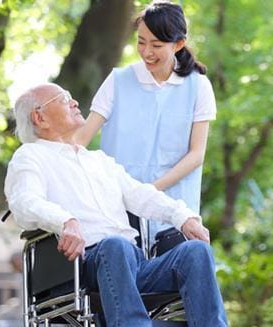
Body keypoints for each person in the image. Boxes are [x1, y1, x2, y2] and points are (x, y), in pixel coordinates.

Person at [6, 83, 228, 326]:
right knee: (115, 246)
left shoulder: (99, 161)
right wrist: (65, 221)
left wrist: (182, 217)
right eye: (63, 98)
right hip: (81, 266)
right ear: (40, 117)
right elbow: (24, 203)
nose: (75, 102)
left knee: (196, 252)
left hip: (132, 264)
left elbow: (142, 195)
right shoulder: (31, 156)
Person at [75, 1, 215, 240]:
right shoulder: (118, 81)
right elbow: (80, 139)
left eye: (156, 45)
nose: (147, 52)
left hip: (176, 210)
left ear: (178, 44)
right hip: (121, 209)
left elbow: (196, 154)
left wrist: (148, 192)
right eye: (141, 42)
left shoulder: (198, 85)